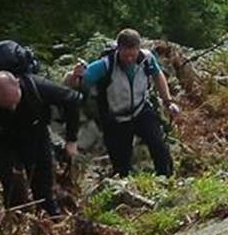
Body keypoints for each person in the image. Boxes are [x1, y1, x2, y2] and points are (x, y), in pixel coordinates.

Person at [0, 68, 82, 220]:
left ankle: (50, 221)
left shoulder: (36, 86)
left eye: (15, 102)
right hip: (0, 142)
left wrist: (71, 140)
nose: (13, 108)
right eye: (7, 105)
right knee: (13, 185)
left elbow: (72, 99)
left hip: (34, 134)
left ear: (19, 85)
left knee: (44, 189)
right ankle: (16, 225)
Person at [73, 28, 178, 177]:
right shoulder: (104, 65)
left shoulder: (146, 58)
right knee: (121, 165)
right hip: (116, 119)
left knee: (158, 146)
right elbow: (79, 84)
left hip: (141, 110)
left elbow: (157, 75)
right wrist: (75, 76)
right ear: (118, 49)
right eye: (125, 55)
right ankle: (124, 189)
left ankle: (168, 180)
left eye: (133, 54)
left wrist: (168, 102)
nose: (129, 59)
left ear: (138, 48)